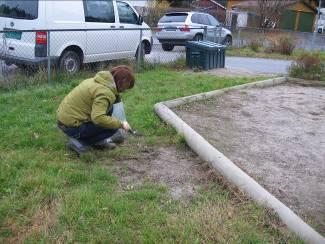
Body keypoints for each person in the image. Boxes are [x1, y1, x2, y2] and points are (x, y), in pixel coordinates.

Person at [57, 65, 134, 153]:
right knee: (112, 128)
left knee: (109, 109)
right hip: (72, 126)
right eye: (126, 86)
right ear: (121, 82)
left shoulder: (98, 80)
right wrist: (120, 124)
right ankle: (79, 143)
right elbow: (98, 118)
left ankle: (98, 141)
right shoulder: (105, 92)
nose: (126, 90)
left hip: (64, 121)